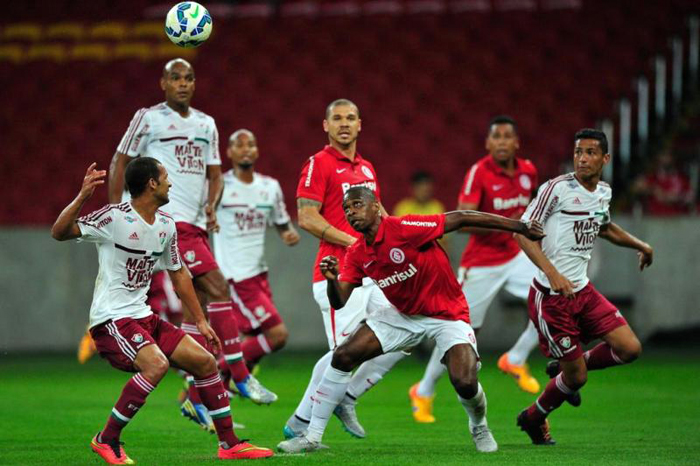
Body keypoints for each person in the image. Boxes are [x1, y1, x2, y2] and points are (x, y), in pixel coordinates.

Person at [277, 186, 545, 454]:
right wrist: (332, 281)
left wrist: (519, 227)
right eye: (347, 209)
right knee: (343, 355)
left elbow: (462, 217)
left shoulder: (406, 227)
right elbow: (339, 301)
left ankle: (479, 426)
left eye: (357, 204)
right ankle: (311, 437)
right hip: (402, 315)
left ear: (375, 206)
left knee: (464, 381)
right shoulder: (357, 252)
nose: (351, 212)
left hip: (446, 313)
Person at [52, 158, 272, 463]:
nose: (170, 183)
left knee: (205, 362)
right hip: (112, 320)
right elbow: (59, 232)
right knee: (156, 365)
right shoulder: (114, 217)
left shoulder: (166, 224)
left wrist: (200, 320)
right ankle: (106, 439)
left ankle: (230, 445)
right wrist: (82, 198)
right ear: (152, 184)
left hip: (143, 318)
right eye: (166, 177)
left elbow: (179, 273)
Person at [107, 58, 277, 410]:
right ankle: (241, 375)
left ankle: (196, 393)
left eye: (188, 78)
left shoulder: (206, 124)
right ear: (163, 83)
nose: (182, 83)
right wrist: (115, 214)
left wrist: (212, 204)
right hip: (169, 222)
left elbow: (215, 174)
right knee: (218, 287)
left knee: (197, 304)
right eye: (175, 78)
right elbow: (119, 161)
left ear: (194, 84)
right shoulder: (148, 117)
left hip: (195, 223)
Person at [515, 129, 653, 445]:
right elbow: (522, 233)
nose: (583, 159)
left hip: (584, 292)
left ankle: (566, 366)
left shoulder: (603, 191)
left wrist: (641, 244)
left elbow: (603, 227)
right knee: (576, 378)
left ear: (605, 159)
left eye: (591, 153)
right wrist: (552, 274)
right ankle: (534, 418)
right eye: (578, 152)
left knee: (630, 349)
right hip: (551, 298)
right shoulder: (555, 190)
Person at [284, 99, 406, 440]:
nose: (344, 124)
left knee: (403, 334)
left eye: (350, 118)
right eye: (336, 118)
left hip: (373, 273)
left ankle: (346, 397)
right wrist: (352, 242)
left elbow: (380, 216)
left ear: (360, 124)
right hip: (338, 276)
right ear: (325, 125)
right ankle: (300, 423)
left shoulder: (367, 168)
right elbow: (307, 216)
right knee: (344, 353)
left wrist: (402, 243)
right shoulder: (318, 163)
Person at [409, 115, 543, 423]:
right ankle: (424, 390)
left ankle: (517, 357)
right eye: (496, 137)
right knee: (459, 333)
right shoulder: (478, 173)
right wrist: (504, 225)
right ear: (488, 143)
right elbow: (464, 220)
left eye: (507, 136)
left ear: (516, 142)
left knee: (553, 298)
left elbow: (529, 211)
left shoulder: (528, 171)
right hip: (481, 264)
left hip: (517, 254)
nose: (501, 142)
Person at [212, 129, 299, 370]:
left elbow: (281, 222)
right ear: (229, 152)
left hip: (259, 273)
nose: (245, 149)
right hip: (236, 276)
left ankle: (215, 393)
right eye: (238, 145)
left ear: (257, 150)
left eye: (250, 144)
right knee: (277, 336)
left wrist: (288, 233)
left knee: (254, 341)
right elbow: (202, 216)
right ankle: (206, 377)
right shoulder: (219, 186)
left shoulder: (270, 187)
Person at [632, 148, 694, 215]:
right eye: (663, 156)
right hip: (655, 220)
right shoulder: (653, 177)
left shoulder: (682, 179)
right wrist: (653, 190)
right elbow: (635, 187)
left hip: (677, 219)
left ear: (673, 158)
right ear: (658, 158)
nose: (665, 159)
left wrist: (676, 198)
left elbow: (691, 198)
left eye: (668, 156)